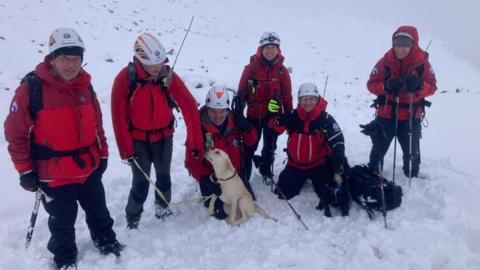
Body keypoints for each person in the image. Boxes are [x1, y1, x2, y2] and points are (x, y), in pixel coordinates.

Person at [4, 28, 123, 269]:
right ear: (52, 58)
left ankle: (106, 241)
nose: (71, 65)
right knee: (62, 221)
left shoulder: (85, 86)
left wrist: (103, 154)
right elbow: (15, 133)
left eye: (76, 58)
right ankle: (65, 256)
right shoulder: (32, 89)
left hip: (88, 168)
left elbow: (97, 124)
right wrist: (25, 170)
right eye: (64, 58)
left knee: (99, 210)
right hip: (54, 173)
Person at [111, 33, 203, 229]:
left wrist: (196, 142)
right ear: (140, 60)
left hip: (164, 137)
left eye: (160, 63)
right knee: (140, 183)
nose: (157, 68)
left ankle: (162, 208)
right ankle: (133, 217)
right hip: (138, 141)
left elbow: (188, 105)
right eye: (152, 64)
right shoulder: (126, 78)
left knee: (164, 176)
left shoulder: (166, 76)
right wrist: (126, 150)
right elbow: (117, 115)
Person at [364, 26, 437, 177]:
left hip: (411, 116)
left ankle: (412, 175)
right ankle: (373, 173)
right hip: (386, 115)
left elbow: (432, 87)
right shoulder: (385, 61)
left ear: (413, 44)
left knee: (411, 153)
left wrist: (419, 85)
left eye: (405, 45)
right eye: (397, 44)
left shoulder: (422, 63)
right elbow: (371, 85)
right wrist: (386, 86)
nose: (400, 49)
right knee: (378, 150)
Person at [185, 83, 257, 220]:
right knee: (221, 212)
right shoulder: (198, 127)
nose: (218, 116)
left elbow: (251, 145)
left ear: (227, 109)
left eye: (222, 111)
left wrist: (247, 129)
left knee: (249, 204)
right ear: (207, 107)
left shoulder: (236, 121)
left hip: (234, 176)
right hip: (213, 180)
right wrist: (206, 179)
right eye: (213, 111)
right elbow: (191, 162)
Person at [268, 83, 346, 209]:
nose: (308, 102)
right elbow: (276, 127)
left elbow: (338, 141)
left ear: (317, 99)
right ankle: (300, 179)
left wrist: (338, 161)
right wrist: (273, 114)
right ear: (299, 101)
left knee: (328, 195)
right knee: (282, 193)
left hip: (318, 165)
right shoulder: (293, 115)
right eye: (304, 99)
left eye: (311, 99)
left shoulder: (325, 119)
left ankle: (315, 179)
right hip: (295, 165)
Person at [234, 31, 292, 184]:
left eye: (273, 47)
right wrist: (239, 113)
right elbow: (242, 93)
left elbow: (287, 96)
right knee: (249, 145)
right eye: (267, 47)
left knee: (269, 147)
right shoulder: (250, 68)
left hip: (273, 117)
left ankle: (265, 170)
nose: (270, 50)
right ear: (261, 48)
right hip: (253, 115)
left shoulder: (282, 71)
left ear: (278, 49)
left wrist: (288, 116)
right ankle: (244, 175)